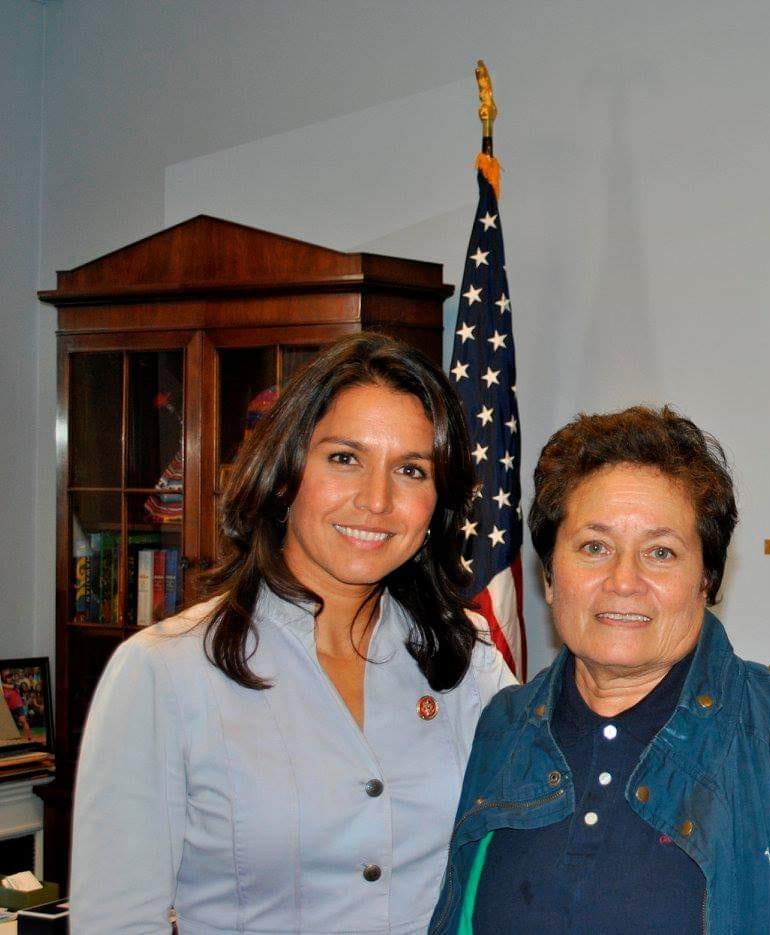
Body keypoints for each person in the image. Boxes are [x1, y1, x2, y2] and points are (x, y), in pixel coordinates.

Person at [431, 406, 770, 933]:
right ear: (549, 577)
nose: (623, 580)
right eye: (594, 546)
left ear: (707, 583)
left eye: (660, 552)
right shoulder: (502, 727)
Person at [71, 334, 516, 934]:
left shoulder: (470, 659)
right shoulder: (163, 672)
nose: (377, 500)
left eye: (411, 470)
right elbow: (116, 922)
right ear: (286, 475)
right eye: (343, 458)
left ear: (437, 504)